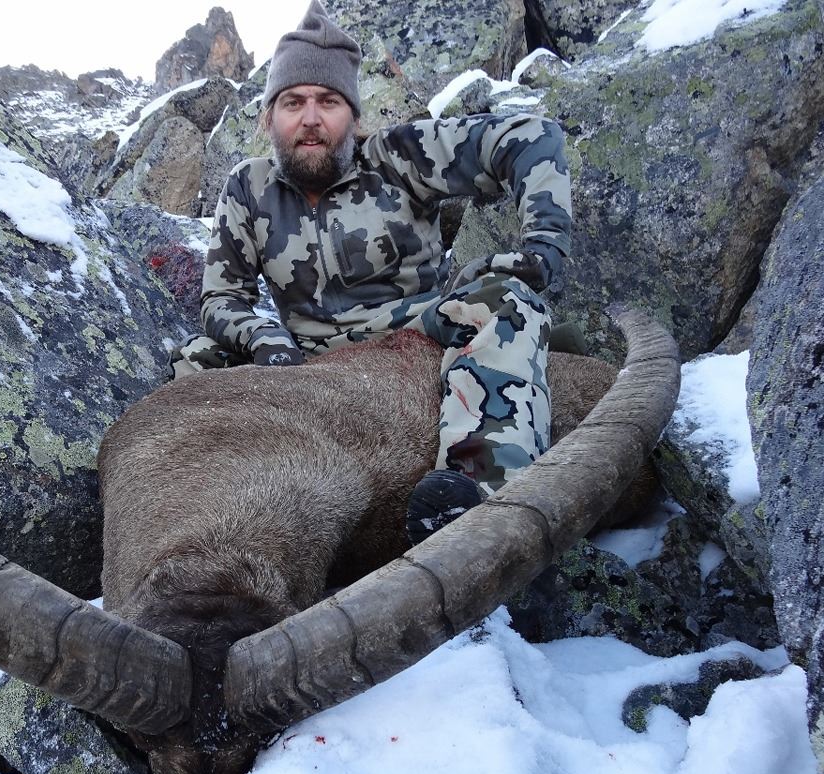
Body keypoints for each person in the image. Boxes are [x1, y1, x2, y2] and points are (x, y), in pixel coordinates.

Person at [171, 0, 572, 544]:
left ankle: (482, 493)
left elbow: (533, 135)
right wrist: (265, 338)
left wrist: (544, 244)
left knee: (508, 302)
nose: (311, 118)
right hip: (306, 352)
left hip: (418, 328)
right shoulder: (247, 186)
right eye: (293, 102)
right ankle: (206, 521)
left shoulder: (399, 157)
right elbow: (221, 299)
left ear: (354, 116)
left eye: (329, 101)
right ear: (268, 117)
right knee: (195, 357)